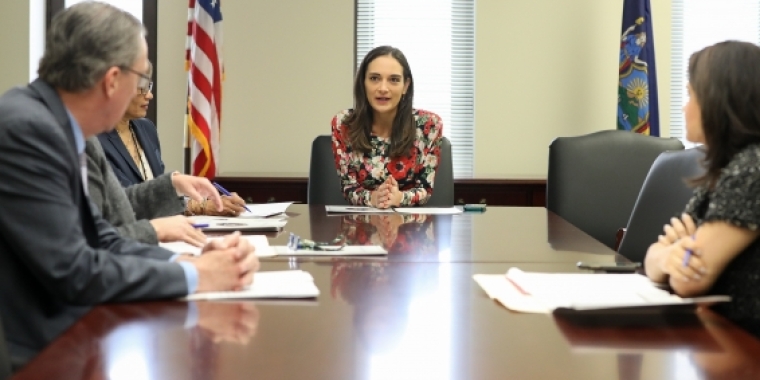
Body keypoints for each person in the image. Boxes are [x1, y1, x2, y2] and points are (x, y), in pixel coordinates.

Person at [0, 2, 258, 367]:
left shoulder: (56, 125)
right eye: (141, 77)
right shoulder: (28, 129)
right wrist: (194, 275)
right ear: (112, 80)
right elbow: (74, 272)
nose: (143, 91)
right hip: (37, 355)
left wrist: (193, 260)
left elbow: (103, 239)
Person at [643, 40, 760, 337]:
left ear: (717, 102)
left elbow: (689, 281)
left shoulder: (753, 168)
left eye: (690, 95)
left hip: (744, 346)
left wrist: (671, 258)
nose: (684, 107)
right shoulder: (725, 169)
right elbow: (655, 257)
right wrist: (668, 256)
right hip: (720, 334)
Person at [96, 64, 246, 216]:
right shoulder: (95, 139)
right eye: (141, 88)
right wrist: (197, 205)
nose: (149, 95)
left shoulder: (146, 129)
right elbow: (126, 198)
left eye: (149, 87)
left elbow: (156, 187)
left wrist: (206, 200)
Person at [331, 45, 443, 208]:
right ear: (363, 82)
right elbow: (349, 187)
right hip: (361, 224)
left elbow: (425, 189)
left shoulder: (429, 125)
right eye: (374, 78)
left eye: (394, 80)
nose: (383, 88)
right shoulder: (344, 124)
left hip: (411, 226)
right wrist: (374, 198)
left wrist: (399, 198)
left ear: (405, 86)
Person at [85, 136, 207, 246]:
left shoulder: (88, 140)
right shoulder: (81, 142)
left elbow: (115, 205)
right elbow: (86, 242)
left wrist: (173, 186)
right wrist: (154, 230)